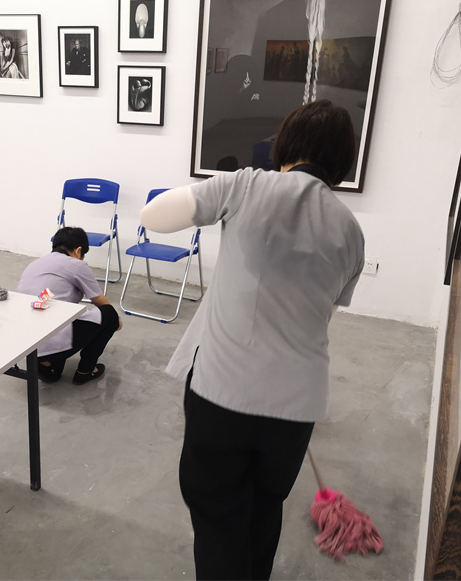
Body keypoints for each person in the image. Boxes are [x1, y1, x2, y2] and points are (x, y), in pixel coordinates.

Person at [140, 99, 365, 580]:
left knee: (218, 513)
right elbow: (323, 317)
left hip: (226, 393)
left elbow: (152, 216)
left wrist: (216, 193)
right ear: (343, 161)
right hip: (297, 405)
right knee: (265, 508)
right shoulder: (351, 231)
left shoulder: (245, 185)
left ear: (286, 143)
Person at [17, 227, 122, 385]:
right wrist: (116, 321)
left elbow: (43, 298)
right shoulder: (76, 265)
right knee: (110, 314)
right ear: (78, 251)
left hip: (27, 340)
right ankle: (85, 371)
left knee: (55, 311)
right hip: (51, 334)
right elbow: (100, 301)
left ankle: (46, 364)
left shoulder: (35, 264)